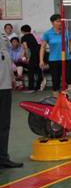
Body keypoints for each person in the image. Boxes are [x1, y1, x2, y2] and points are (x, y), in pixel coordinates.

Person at [40, 14, 71, 107]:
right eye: (57, 21)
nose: (60, 23)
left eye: (61, 21)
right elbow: (43, 47)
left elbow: (70, 45)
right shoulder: (47, 34)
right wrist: (41, 60)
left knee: (69, 79)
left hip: (66, 59)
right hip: (54, 60)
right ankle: (57, 102)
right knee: (55, 81)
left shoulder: (66, 32)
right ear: (52, 22)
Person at [0, 34, 22, 169]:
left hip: (5, 87)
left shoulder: (3, 38)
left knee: (4, 124)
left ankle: (3, 157)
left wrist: (12, 78)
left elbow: (6, 59)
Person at [20, 25, 43, 93]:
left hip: (32, 55)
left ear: (22, 31)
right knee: (39, 70)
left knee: (31, 71)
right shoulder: (35, 35)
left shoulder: (24, 37)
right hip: (40, 54)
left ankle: (31, 88)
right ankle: (38, 87)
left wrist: (27, 57)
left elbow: (26, 48)